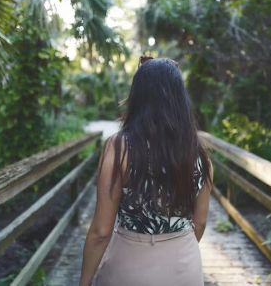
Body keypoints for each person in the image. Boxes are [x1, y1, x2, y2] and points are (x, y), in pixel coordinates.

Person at [79, 56, 214, 286]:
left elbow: (102, 231)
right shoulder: (199, 152)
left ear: (137, 97)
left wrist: (84, 282)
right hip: (184, 269)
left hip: (129, 268)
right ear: (180, 99)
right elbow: (199, 223)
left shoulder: (119, 147)